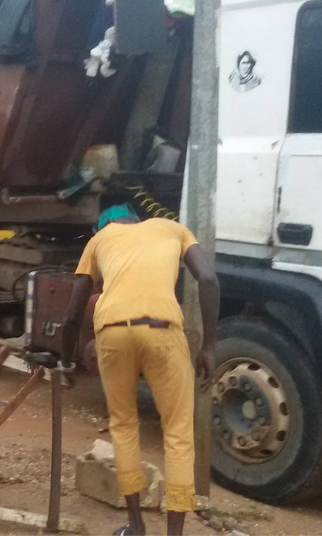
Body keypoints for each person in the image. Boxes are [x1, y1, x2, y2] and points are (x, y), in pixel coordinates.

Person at [59, 204, 219, 536]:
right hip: (163, 330)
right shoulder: (172, 228)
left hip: (113, 332)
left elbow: (73, 313)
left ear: (104, 225)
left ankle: (135, 527)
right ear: (135, 217)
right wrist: (209, 347)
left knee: (124, 425)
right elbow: (208, 278)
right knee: (177, 433)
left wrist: (66, 360)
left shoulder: (99, 240)